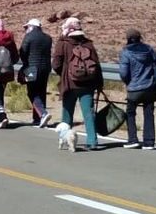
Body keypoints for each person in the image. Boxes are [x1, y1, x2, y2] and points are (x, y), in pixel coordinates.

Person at [52, 17, 103, 150]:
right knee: (88, 113)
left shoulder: (63, 43)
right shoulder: (88, 44)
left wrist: (63, 74)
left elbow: (56, 64)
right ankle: (92, 141)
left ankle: (65, 139)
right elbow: (96, 65)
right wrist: (99, 84)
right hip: (87, 85)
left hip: (69, 84)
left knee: (67, 113)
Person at [119, 29, 156, 150]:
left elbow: (123, 72)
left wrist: (128, 81)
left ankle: (133, 139)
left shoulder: (126, 52)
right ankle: (149, 142)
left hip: (134, 87)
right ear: (140, 38)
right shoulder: (149, 49)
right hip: (149, 86)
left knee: (130, 113)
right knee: (149, 113)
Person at [19, 18, 53, 128]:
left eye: (27, 27)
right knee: (41, 92)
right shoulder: (48, 38)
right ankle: (37, 118)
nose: (26, 29)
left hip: (31, 68)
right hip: (46, 68)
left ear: (32, 26)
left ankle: (43, 113)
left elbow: (23, 51)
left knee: (32, 92)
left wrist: (25, 64)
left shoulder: (29, 37)